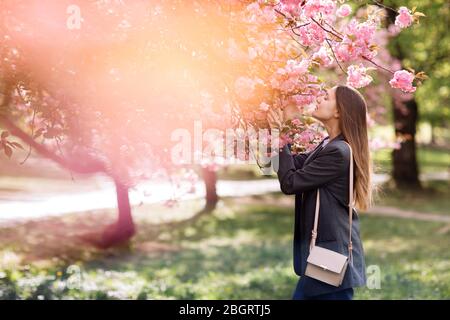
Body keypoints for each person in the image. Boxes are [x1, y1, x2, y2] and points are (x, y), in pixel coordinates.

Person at [267, 85, 373, 300]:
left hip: (329, 254)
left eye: (325, 97)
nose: (318, 99)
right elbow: (290, 164)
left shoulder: (338, 152)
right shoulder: (327, 145)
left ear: (338, 111)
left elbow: (290, 182)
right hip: (326, 251)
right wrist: (279, 126)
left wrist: (279, 134)